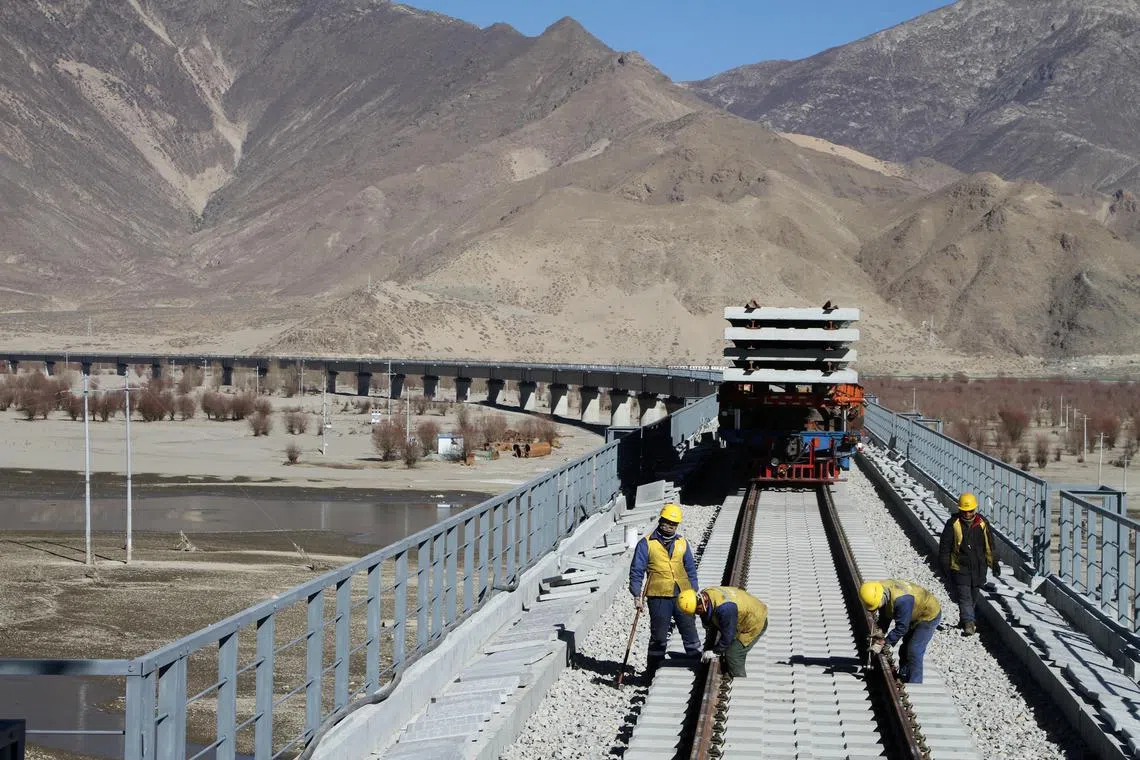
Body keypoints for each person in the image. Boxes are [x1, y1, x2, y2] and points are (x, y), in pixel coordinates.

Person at [629, 503, 702, 674]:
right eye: (668, 522)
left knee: (689, 629)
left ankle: (697, 665)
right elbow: (637, 571)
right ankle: (653, 671)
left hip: (683, 594)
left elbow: (690, 568)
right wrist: (636, 595)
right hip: (658, 595)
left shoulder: (682, 543)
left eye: (674, 524)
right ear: (661, 520)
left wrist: (694, 590)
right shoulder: (646, 544)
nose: (670, 526)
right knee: (659, 636)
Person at [938, 492, 999, 636]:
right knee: (964, 596)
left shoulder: (982, 524)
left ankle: (964, 619)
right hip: (960, 568)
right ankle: (969, 624)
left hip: (979, 569)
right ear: (960, 510)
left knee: (973, 596)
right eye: (965, 511)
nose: (968, 514)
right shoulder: (953, 524)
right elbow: (945, 548)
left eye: (970, 511)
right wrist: (945, 567)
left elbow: (990, 545)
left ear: (975, 509)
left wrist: (994, 563)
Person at [860, 579, 941, 684]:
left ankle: (915, 683)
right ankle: (904, 676)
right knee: (904, 648)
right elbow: (886, 614)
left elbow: (902, 628)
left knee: (914, 649)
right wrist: (881, 631)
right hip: (914, 611)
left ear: (881, 598)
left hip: (928, 615)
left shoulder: (902, 601)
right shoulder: (881, 589)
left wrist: (883, 642)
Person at [678, 586, 768, 678]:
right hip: (740, 613)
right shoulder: (705, 595)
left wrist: (716, 651)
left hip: (754, 621)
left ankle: (739, 681)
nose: (697, 614)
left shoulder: (725, 609)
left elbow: (729, 635)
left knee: (733, 653)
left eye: (697, 611)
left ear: (701, 603)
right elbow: (708, 615)